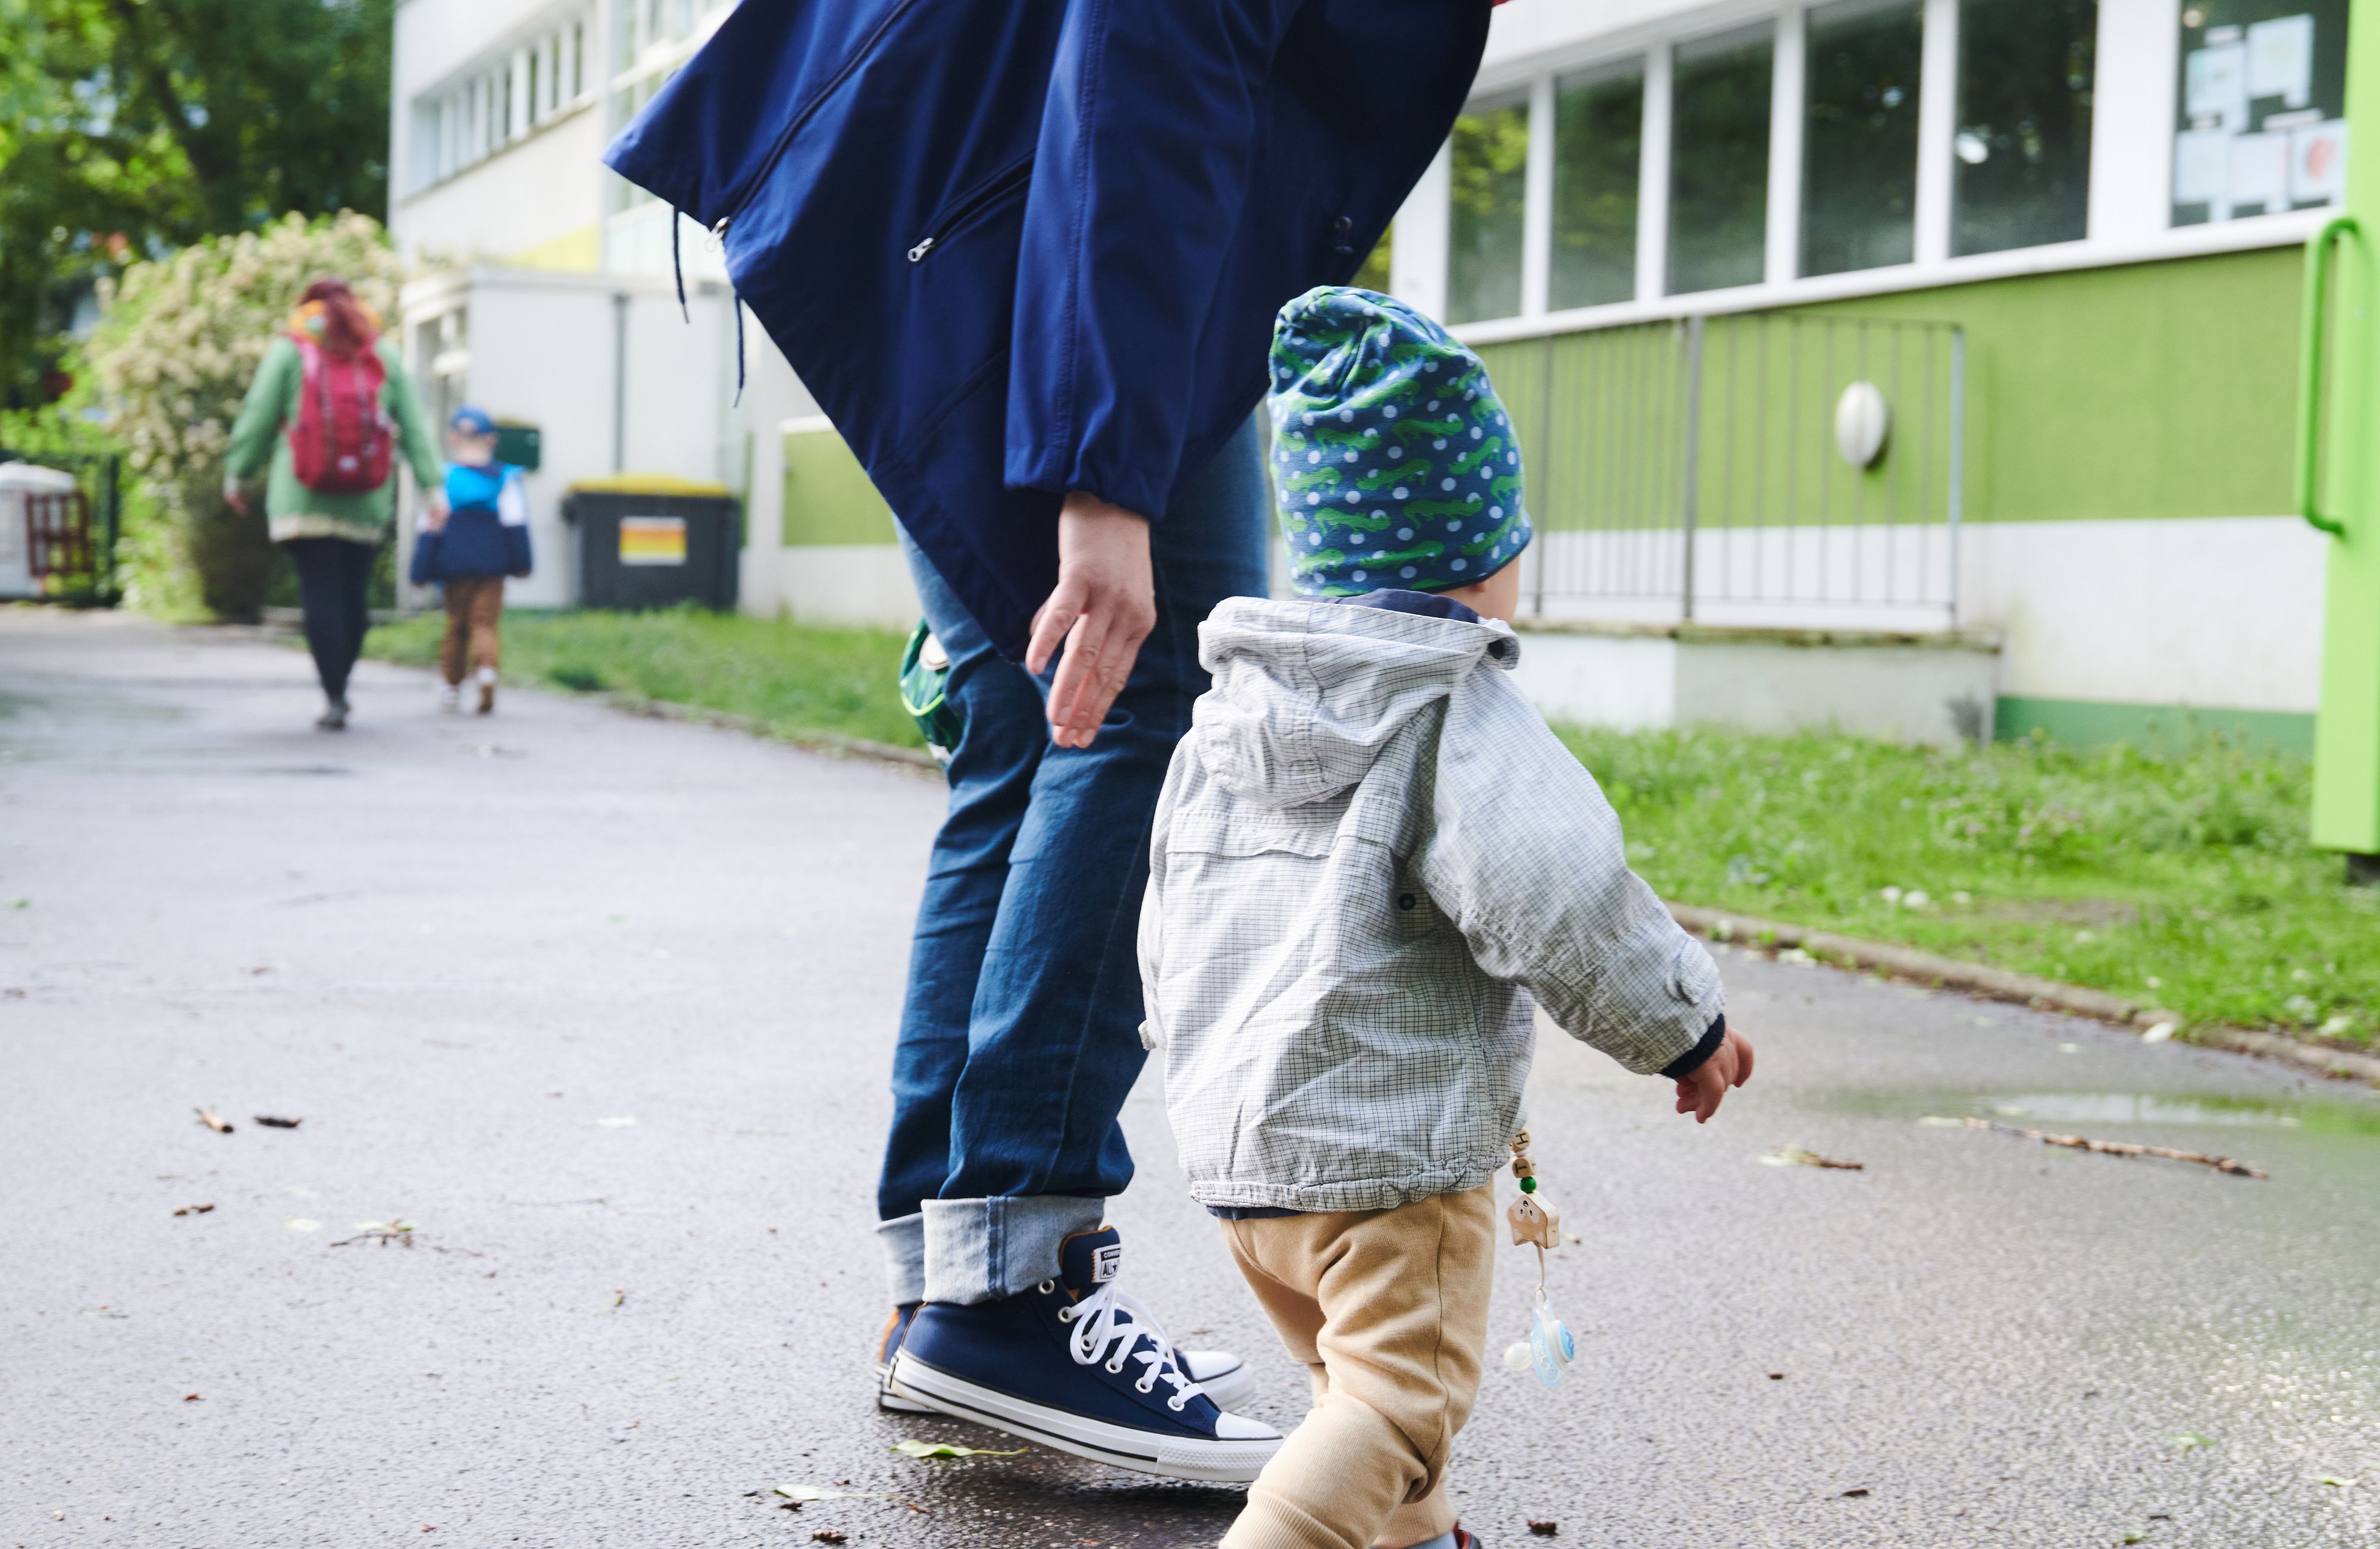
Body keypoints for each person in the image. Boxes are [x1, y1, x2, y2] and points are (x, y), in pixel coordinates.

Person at [603, 0, 1499, 1478]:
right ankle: (1008, 1284)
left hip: (964, 215)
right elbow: (1145, 86)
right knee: (1148, 705)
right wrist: (1103, 477)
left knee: (1032, 732)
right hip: (1031, 247)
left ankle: (948, 1288)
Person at [1136, 289, 1757, 1549]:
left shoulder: (1230, 715)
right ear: (1480, 556)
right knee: (1400, 1408)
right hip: (1387, 1167)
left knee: (1349, 1393)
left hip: (1243, 1169)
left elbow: (1168, 916)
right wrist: (1683, 1029)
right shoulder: (1449, 710)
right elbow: (1560, 893)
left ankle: (1413, 1540)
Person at [225, 277, 444, 730]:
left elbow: (258, 418)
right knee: (353, 598)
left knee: (320, 595)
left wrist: (239, 475)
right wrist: (433, 488)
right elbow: (415, 426)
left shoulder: (290, 350)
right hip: (366, 499)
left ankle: (334, 694)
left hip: (302, 497)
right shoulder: (381, 353)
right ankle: (341, 681)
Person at [409, 406, 532, 715]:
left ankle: (451, 688)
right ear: (491, 440)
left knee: (457, 625)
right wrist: (522, 564)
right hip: (493, 567)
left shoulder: (444, 479)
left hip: (454, 566)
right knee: (485, 622)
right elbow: (516, 525)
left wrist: (420, 570)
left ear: (453, 439)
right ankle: (487, 671)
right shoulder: (506, 479)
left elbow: (430, 527)